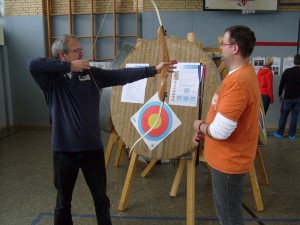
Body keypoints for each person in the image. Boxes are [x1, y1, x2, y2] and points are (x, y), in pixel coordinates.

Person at [27, 34, 176, 225]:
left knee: (101, 200)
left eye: (81, 49)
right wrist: (70, 67)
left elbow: (120, 75)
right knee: (63, 203)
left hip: (92, 150)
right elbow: (32, 63)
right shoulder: (51, 80)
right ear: (63, 55)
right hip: (63, 152)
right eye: (76, 50)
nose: (82, 53)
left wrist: (153, 70)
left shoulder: (92, 74)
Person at [193, 25, 259, 225]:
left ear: (235, 48)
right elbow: (227, 120)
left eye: (224, 43)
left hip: (229, 162)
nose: (220, 47)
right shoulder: (241, 73)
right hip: (227, 158)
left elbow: (221, 131)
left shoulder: (238, 81)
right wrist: (207, 132)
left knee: (229, 219)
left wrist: (200, 126)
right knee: (229, 214)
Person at [273, 54, 300, 140]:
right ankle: (291, 135)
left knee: (283, 115)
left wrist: (279, 94)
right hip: (298, 99)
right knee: (295, 117)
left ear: (294, 61)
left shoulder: (287, 71)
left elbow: (282, 84)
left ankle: (280, 133)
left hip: (288, 98)